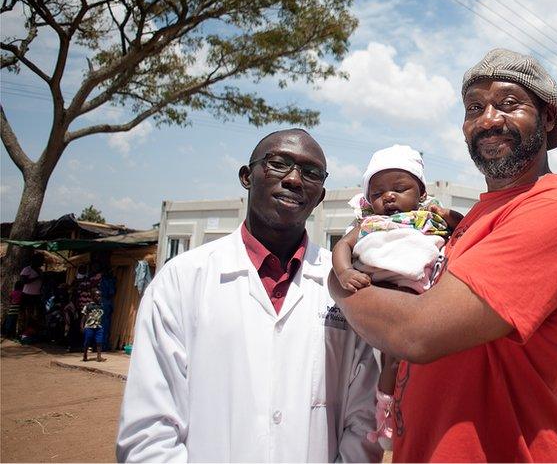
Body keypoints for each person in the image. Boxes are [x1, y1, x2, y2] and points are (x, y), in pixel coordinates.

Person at [328, 48, 557, 462]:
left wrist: (336, 279)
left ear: (547, 118)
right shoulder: (474, 216)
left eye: (508, 104)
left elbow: (417, 332)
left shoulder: (553, 210)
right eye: (475, 107)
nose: (489, 119)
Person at [117, 129, 382, 463]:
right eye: (279, 164)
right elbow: (147, 432)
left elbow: (363, 421)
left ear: (320, 195)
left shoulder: (348, 289)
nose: (295, 180)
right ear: (247, 176)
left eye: (311, 173)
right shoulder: (181, 281)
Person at [332, 144, 462, 445]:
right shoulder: (368, 223)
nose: (388, 196)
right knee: (390, 362)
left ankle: (409, 410)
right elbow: (342, 247)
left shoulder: (430, 217)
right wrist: (344, 273)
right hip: (382, 292)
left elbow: (465, 227)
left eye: (400, 188)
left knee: (421, 365)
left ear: (421, 193)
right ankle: (385, 414)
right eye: (377, 192)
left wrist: (448, 214)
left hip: (423, 295)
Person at [81, 288, 106, 362]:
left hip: (99, 326)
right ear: (92, 297)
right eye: (97, 296)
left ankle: (99, 356)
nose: (99, 298)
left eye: (100, 296)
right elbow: (84, 317)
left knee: (99, 341)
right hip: (89, 326)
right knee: (87, 341)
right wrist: (82, 326)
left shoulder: (101, 305)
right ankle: (85, 354)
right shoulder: (88, 306)